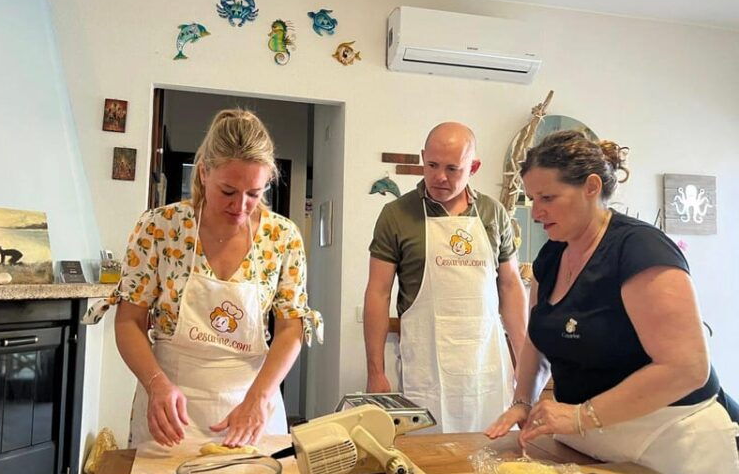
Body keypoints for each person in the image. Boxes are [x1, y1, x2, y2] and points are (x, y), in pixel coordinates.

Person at [485, 130, 739, 474]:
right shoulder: (553, 254)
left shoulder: (639, 249)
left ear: (590, 187)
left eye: (547, 198)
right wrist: (523, 402)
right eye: (532, 198)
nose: (536, 212)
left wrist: (579, 415)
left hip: (670, 439)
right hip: (591, 444)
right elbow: (538, 343)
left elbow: (687, 367)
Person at [84, 109, 321, 448]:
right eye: (228, 191)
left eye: (254, 193)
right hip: (171, 407)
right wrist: (156, 385)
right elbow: (128, 322)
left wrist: (260, 397)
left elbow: (290, 327)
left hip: (252, 405)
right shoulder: (160, 227)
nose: (240, 206)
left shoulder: (282, 237)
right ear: (204, 172)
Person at [364, 121, 527, 433]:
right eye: (432, 165)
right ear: (423, 157)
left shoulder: (493, 214)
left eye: (453, 169)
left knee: (492, 457)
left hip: (486, 368)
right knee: (429, 455)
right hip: (427, 371)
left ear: (474, 167)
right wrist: (376, 371)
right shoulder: (396, 215)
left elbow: (510, 287)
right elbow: (378, 292)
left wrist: (524, 361)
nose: (439, 176)